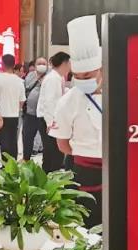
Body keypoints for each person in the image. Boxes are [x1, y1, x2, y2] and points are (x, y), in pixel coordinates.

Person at [51, 16, 103, 228]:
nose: (82, 80)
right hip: (84, 171)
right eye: (78, 76)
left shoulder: (120, 93)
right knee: (86, 225)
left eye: (88, 75)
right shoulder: (68, 101)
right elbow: (62, 144)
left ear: (101, 69)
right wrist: (85, 152)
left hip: (118, 170)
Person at [37, 51, 70, 172]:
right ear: (64, 63)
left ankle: (49, 174)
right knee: (54, 152)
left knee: (52, 152)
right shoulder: (52, 78)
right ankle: (50, 175)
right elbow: (49, 102)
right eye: (69, 63)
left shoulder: (58, 77)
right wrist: (50, 123)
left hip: (52, 119)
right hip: (48, 120)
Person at [0, 54, 25, 159]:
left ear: (2, 64)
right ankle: (12, 164)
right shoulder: (19, 81)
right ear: (14, 64)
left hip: (0, 116)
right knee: (13, 142)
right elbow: (22, 101)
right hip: (14, 116)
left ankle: (4, 164)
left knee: (3, 143)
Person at [22, 56, 47, 161]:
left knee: (46, 140)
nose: (41, 66)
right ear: (35, 65)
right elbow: (25, 88)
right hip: (30, 113)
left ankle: (47, 162)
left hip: (44, 115)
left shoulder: (49, 76)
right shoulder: (30, 75)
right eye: (39, 63)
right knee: (27, 137)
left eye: (43, 64)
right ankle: (26, 159)